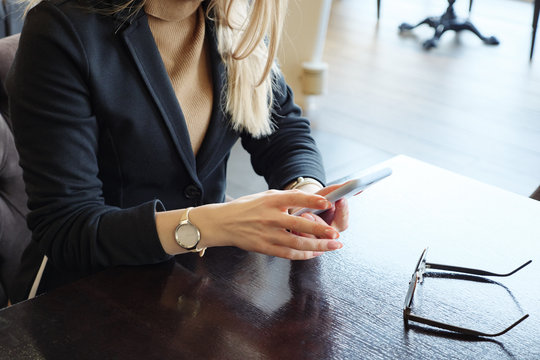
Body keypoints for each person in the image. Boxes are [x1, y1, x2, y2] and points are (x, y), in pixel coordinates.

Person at [7, 0, 349, 302]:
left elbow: (281, 127)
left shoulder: (229, 15)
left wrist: (306, 193)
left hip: (196, 286)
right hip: (83, 296)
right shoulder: (60, 29)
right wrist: (214, 225)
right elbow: (68, 228)